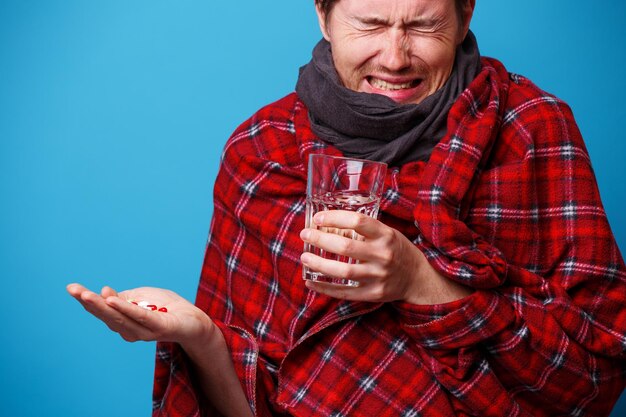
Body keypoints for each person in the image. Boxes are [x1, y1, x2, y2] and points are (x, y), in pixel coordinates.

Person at [67, 0, 626, 415]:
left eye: (424, 25)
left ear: (464, 16)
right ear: (323, 15)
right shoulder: (261, 150)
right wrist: (203, 339)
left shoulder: (529, 129)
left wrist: (421, 282)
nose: (396, 57)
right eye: (371, 24)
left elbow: (596, 378)